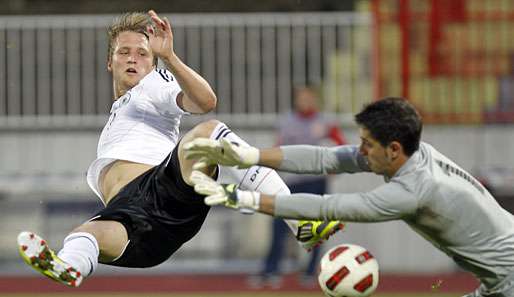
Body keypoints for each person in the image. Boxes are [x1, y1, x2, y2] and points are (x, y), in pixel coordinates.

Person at [16, 10, 343, 287]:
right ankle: (68, 267)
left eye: (143, 53)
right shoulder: (120, 109)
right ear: (109, 61)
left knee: (209, 132)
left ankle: (298, 218)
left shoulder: (154, 85)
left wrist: (169, 58)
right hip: (141, 232)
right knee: (84, 236)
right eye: (124, 51)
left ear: (152, 61)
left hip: (163, 193)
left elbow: (206, 102)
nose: (133, 58)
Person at [185, 97, 514, 297]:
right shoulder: (415, 152)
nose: (361, 149)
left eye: (368, 143)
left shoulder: (412, 191)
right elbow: (325, 158)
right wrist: (251, 156)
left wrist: (244, 199)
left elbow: (327, 208)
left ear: (394, 149)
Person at [257, 85, 347, 287]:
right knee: (279, 226)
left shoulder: (325, 122)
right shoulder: (287, 122)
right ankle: (271, 271)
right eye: (301, 97)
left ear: (315, 99)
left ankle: (310, 271)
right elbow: (277, 147)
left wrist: (334, 166)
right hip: (290, 182)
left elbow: (341, 146)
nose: (304, 101)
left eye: (308, 97)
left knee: (316, 229)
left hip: (316, 182)